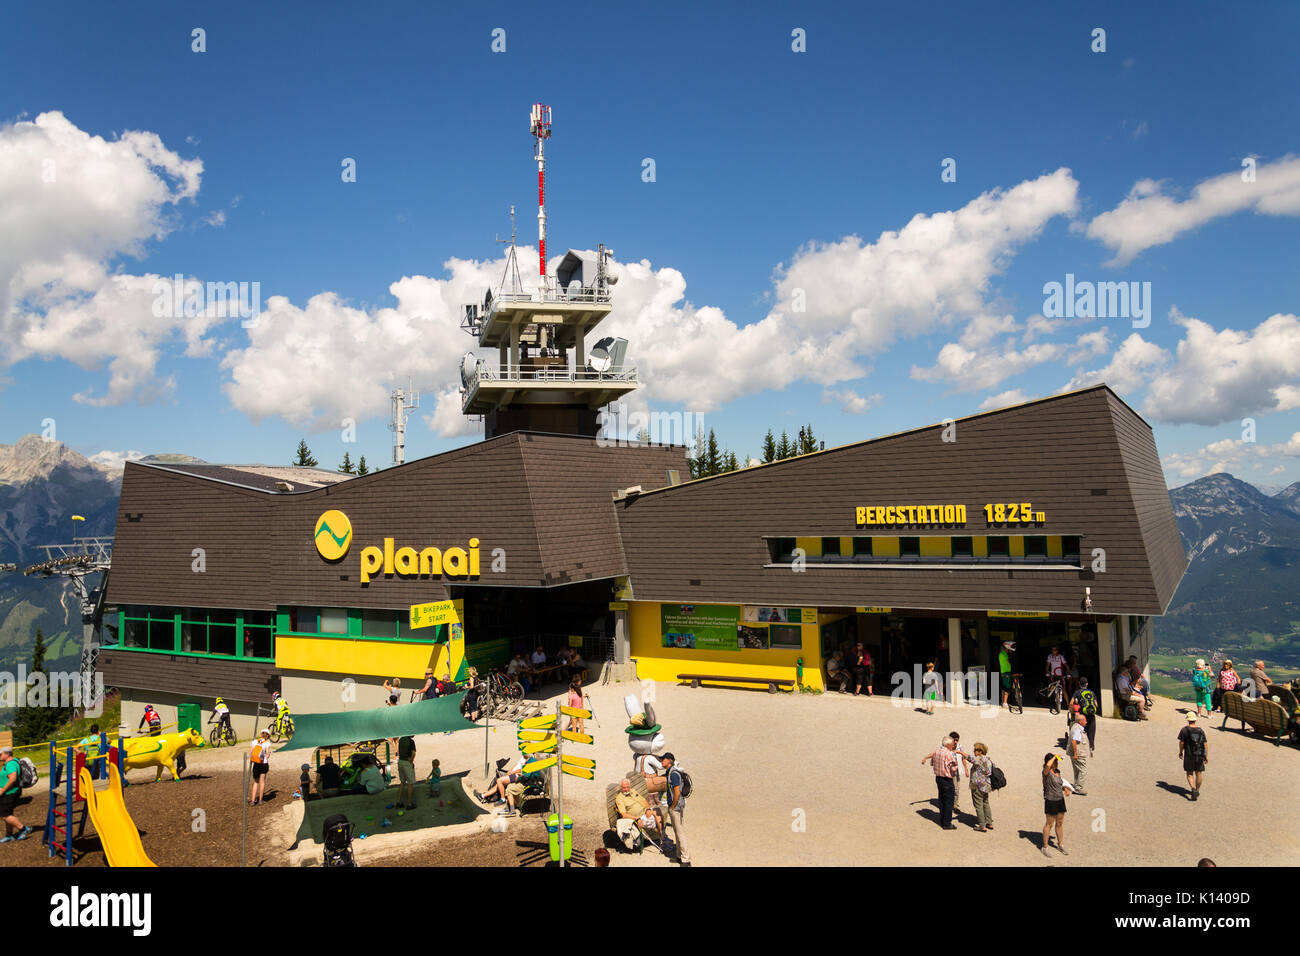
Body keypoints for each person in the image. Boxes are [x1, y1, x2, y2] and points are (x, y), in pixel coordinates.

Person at [921, 736, 959, 830]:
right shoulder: (949, 754)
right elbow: (953, 768)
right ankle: (946, 823)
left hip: (938, 778)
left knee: (941, 800)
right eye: (952, 744)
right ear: (948, 744)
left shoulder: (937, 752)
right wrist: (956, 768)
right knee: (948, 802)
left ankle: (942, 819)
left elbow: (932, 763)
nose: (953, 745)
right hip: (947, 779)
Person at [614, 778, 662, 850]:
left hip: (646, 812)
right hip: (639, 817)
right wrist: (637, 818)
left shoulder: (633, 791)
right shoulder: (620, 798)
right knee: (658, 817)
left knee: (658, 812)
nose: (626, 789)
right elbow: (624, 815)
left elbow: (644, 800)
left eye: (628, 787)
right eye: (624, 788)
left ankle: (662, 838)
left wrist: (648, 809)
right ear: (621, 788)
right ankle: (663, 841)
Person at [1041, 753, 1072, 856]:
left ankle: (1061, 844)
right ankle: (1044, 847)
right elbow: (1048, 766)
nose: (1057, 764)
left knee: (1059, 823)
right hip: (1050, 800)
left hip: (1060, 800)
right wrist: (1054, 756)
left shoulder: (1057, 772)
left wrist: (1066, 789)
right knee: (1049, 824)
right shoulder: (1046, 772)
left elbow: (1060, 783)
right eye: (1055, 762)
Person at [662, 753, 690, 866]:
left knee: (680, 833)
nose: (661, 761)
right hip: (676, 806)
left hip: (676, 807)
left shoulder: (673, 774)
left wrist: (672, 806)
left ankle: (686, 859)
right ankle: (679, 855)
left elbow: (677, 792)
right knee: (677, 831)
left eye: (663, 759)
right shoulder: (671, 772)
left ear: (669, 761)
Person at [0, 745, 31, 843]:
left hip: (9, 792)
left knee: (4, 815)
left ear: (7, 754)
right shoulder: (10, 763)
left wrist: (2, 790)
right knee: (7, 813)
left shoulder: (10, 764)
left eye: (0, 754)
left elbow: (12, 778)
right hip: (9, 792)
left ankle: (23, 828)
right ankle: (9, 835)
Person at [1177, 713, 1208, 801]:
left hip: (1189, 755)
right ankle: (1197, 790)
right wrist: (1206, 755)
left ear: (1188, 720)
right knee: (1199, 773)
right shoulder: (1200, 730)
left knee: (1189, 773)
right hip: (1199, 754)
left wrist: (1180, 752)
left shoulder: (1184, 730)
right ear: (1195, 720)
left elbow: (1182, 742)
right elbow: (1205, 744)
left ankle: (1193, 788)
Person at [968, 742, 994, 832]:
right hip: (986, 785)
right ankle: (989, 822)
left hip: (977, 785)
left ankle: (982, 825)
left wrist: (960, 753)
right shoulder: (988, 759)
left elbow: (970, 758)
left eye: (975, 749)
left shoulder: (979, 759)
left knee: (978, 805)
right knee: (986, 803)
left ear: (979, 751)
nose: (973, 751)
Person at [1070, 677, 1100, 751]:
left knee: (1078, 729)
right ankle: (1091, 746)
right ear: (1087, 684)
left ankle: (1077, 745)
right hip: (1091, 716)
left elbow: (1071, 703)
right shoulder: (1091, 692)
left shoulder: (1077, 692)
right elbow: (1096, 705)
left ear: (1079, 684)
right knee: (1091, 731)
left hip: (1082, 715)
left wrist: (1071, 711)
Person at [1068, 711, 1091, 796]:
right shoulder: (1078, 730)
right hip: (1079, 754)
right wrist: (1075, 753)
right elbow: (1074, 741)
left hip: (1076, 753)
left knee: (1077, 770)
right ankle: (1079, 788)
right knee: (1083, 770)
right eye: (1085, 720)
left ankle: (1076, 785)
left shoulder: (1075, 727)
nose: (1086, 722)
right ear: (1080, 721)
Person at [248, 730, 271, 806]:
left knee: (256, 782)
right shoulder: (267, 743)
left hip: (256, 764)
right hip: (263, 764)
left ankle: (252, 800)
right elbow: (267, 755)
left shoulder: (255, 742)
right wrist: (267, 754)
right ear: (267, 736)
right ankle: (260, 800)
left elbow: (250, 752)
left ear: (261, 734)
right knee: (262, 782)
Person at [397, 735, 417, 810]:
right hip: (406, 763)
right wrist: (411, 761)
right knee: (410, 783)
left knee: (402, 782)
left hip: (400, 761)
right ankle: (409, 804)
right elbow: (413, 754)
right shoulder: (411, 741)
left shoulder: (401, 739)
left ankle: (398, 802)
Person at [998, 641, 1015, 707]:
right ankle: (1005, 702)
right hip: (1006, 673)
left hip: (1004, 672)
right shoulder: (1003, 654)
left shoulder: (1002, 654)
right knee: (1007, 688)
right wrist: (1011, 654)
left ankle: (1003, 702)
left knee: (1004, 687)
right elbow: (1009, 661)